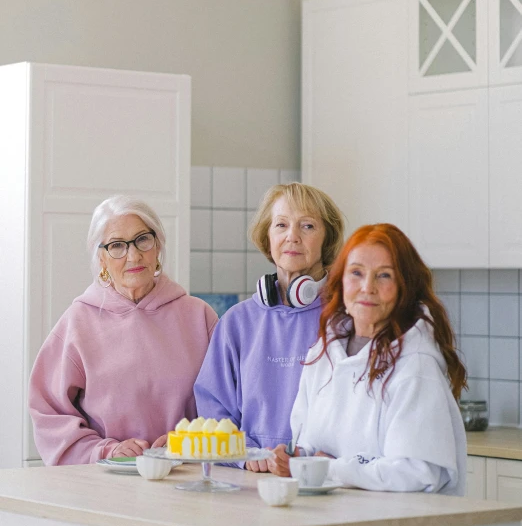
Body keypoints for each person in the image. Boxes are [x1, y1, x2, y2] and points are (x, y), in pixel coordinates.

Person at [269, 223, 468, 495]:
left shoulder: (416, 366)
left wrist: (332, 469)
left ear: (404, 288)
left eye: (384, 276)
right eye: (356, 273)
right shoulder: (322, 356)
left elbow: (418, 472)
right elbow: (311, 446)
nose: (367, 287)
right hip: (328, 524)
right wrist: (295, 457)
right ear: (340, 281)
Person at [29, 195, 218, 465]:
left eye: (143, 239)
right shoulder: (77, 323)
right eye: (117, 245)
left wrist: (191, 438)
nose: (134, 255)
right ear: (102, 258)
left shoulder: (199, 316)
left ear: (158, 246)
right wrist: (107, 451)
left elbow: (228, 402)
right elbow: (48, 411)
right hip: (109, 479)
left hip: (189, 474)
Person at [194, 182, 344, 471]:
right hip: (249, 478)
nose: (292, 237)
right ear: (267, 237)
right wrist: (246, 455)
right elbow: (213, 410)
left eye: (308, 226)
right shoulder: (236, 322)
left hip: (322, 476)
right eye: (281, 225)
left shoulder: (345, 319)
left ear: (327, 239)